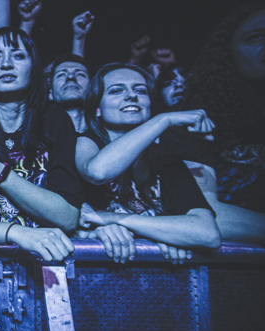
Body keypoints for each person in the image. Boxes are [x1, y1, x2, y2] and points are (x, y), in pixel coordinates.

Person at [0, 28, 80, 261]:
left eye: (18, 56)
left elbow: (68, 217)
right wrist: (17, 233)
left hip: (49, 262)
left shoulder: (55, 121)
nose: (6, 64)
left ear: (33, 68)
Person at [76, 64, 221, 264]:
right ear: (97, 109)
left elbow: (207, 233)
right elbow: (98, 171)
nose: (131, 96)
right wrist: (164, 119)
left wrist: (113, 219)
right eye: (117, 90)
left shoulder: (162, 156)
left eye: (140, 91)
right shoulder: (85, 143)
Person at [180, 3, 265, 243]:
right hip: (233, 271)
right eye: (257, 37)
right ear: (228, 54)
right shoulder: (198, 122)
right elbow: (203, 214)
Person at [49, 54, 90, 133]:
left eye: (80, 74)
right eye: (61, 75)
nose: (71, 77)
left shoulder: (109, 137)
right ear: (50, 94)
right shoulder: (36, 136)